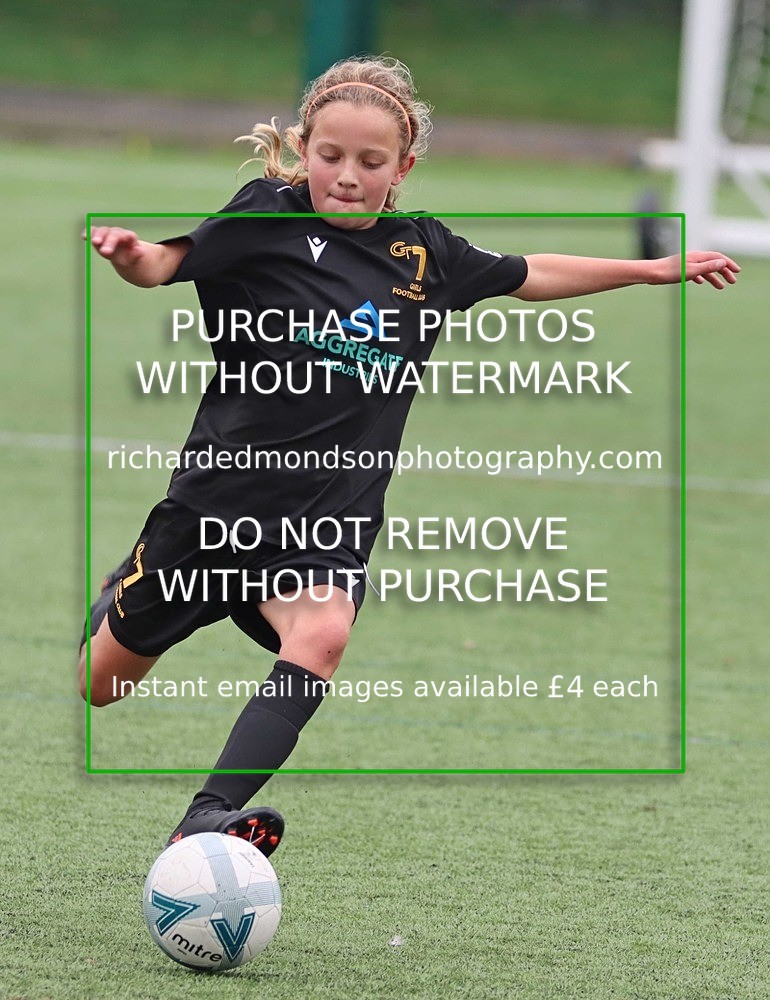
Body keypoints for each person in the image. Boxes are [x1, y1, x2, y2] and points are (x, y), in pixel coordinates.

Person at [81, 56, 739, 857]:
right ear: (302, 147)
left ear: (403, 169)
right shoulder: (262, 217)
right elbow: (165, 263)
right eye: (330, 157)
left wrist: (650, 270)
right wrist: (128, 253)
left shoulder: (424, 255)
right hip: (215, 506)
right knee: (102, 685)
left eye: (370, 161)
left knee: (322, 634)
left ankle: (203, 822)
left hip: (327, 516)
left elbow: (531, 274)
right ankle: (122, 592)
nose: (347, 177)